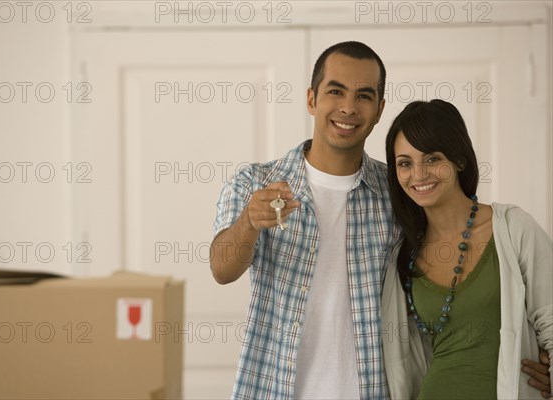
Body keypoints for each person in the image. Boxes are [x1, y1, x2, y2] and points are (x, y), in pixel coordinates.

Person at [211, 41, 551, 399]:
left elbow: (446, 291)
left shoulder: (400, 195)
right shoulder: (255, 184)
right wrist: (248, 222)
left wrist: (529, 358)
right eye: (336, 91)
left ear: (379, 109)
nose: (348, 107)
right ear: (312, 99)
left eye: (364, 95)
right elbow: (222, 269)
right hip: (273, 389)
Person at [381, 99, 553, 399]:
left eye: (432, 159)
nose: (418, 175)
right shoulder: (405, 254)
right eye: (405, 163)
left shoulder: (512, 229)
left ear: (459, 159)